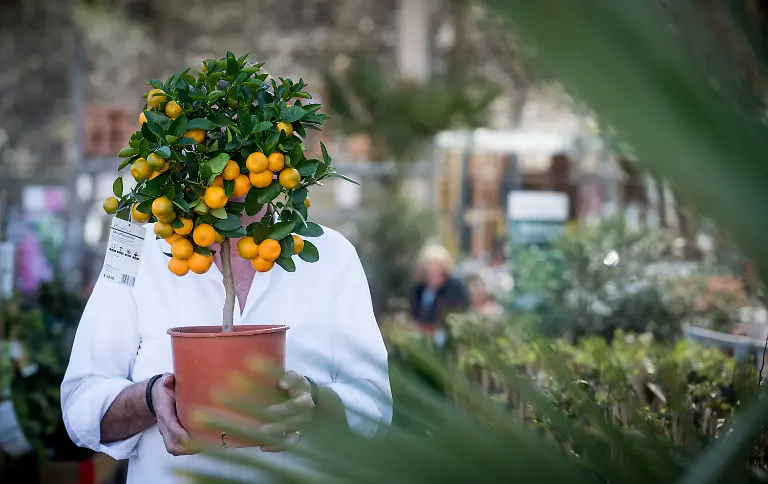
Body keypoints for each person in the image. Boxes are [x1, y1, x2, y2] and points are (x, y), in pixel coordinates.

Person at [60, 205, 391, 483]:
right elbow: (81, 404)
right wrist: (150, 398)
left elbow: (374, 405)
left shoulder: (330, 254)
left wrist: (315, 402)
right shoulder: (134, 249)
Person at [410, 244, 469, 344]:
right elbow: (414, 313)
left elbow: (460, 313)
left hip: (447, 340)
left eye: (436, 263)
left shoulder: (455, 287)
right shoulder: (420, 289)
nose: (433, 267)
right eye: (429, 264)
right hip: (422, 339)